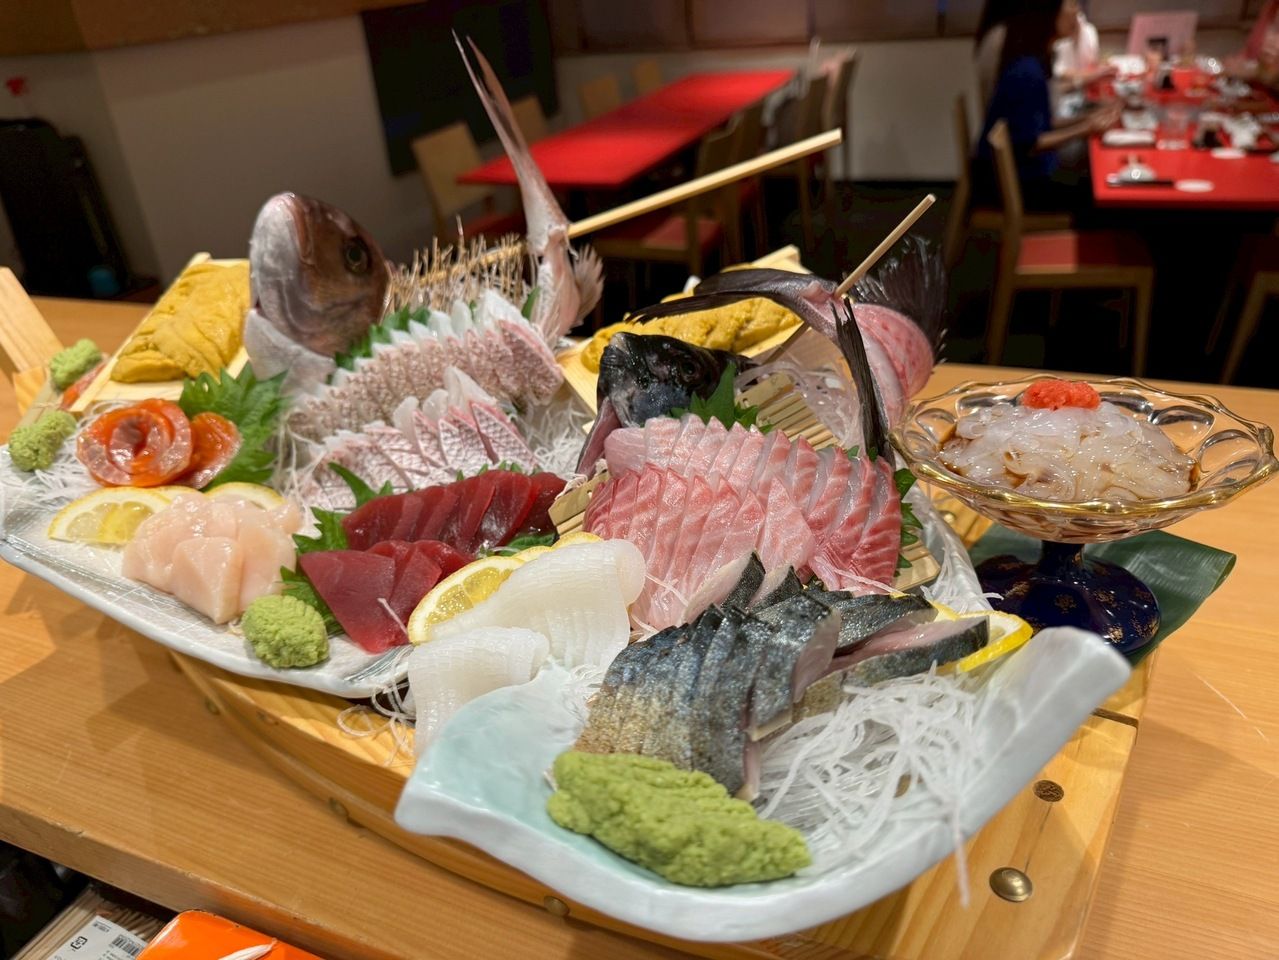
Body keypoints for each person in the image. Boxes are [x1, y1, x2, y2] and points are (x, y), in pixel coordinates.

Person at [975, 0, 1121, 212]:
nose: (1077, 12)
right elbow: (1030, 142)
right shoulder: (1027, 70)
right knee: (1104, 189)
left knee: (1095, 173)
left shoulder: (1032, 61)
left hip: (1023, 172)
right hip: (1021, 183)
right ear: (1047, 16)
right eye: (1070, 6)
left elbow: (1039, 124)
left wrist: (1088, 119)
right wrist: (1087, 129)